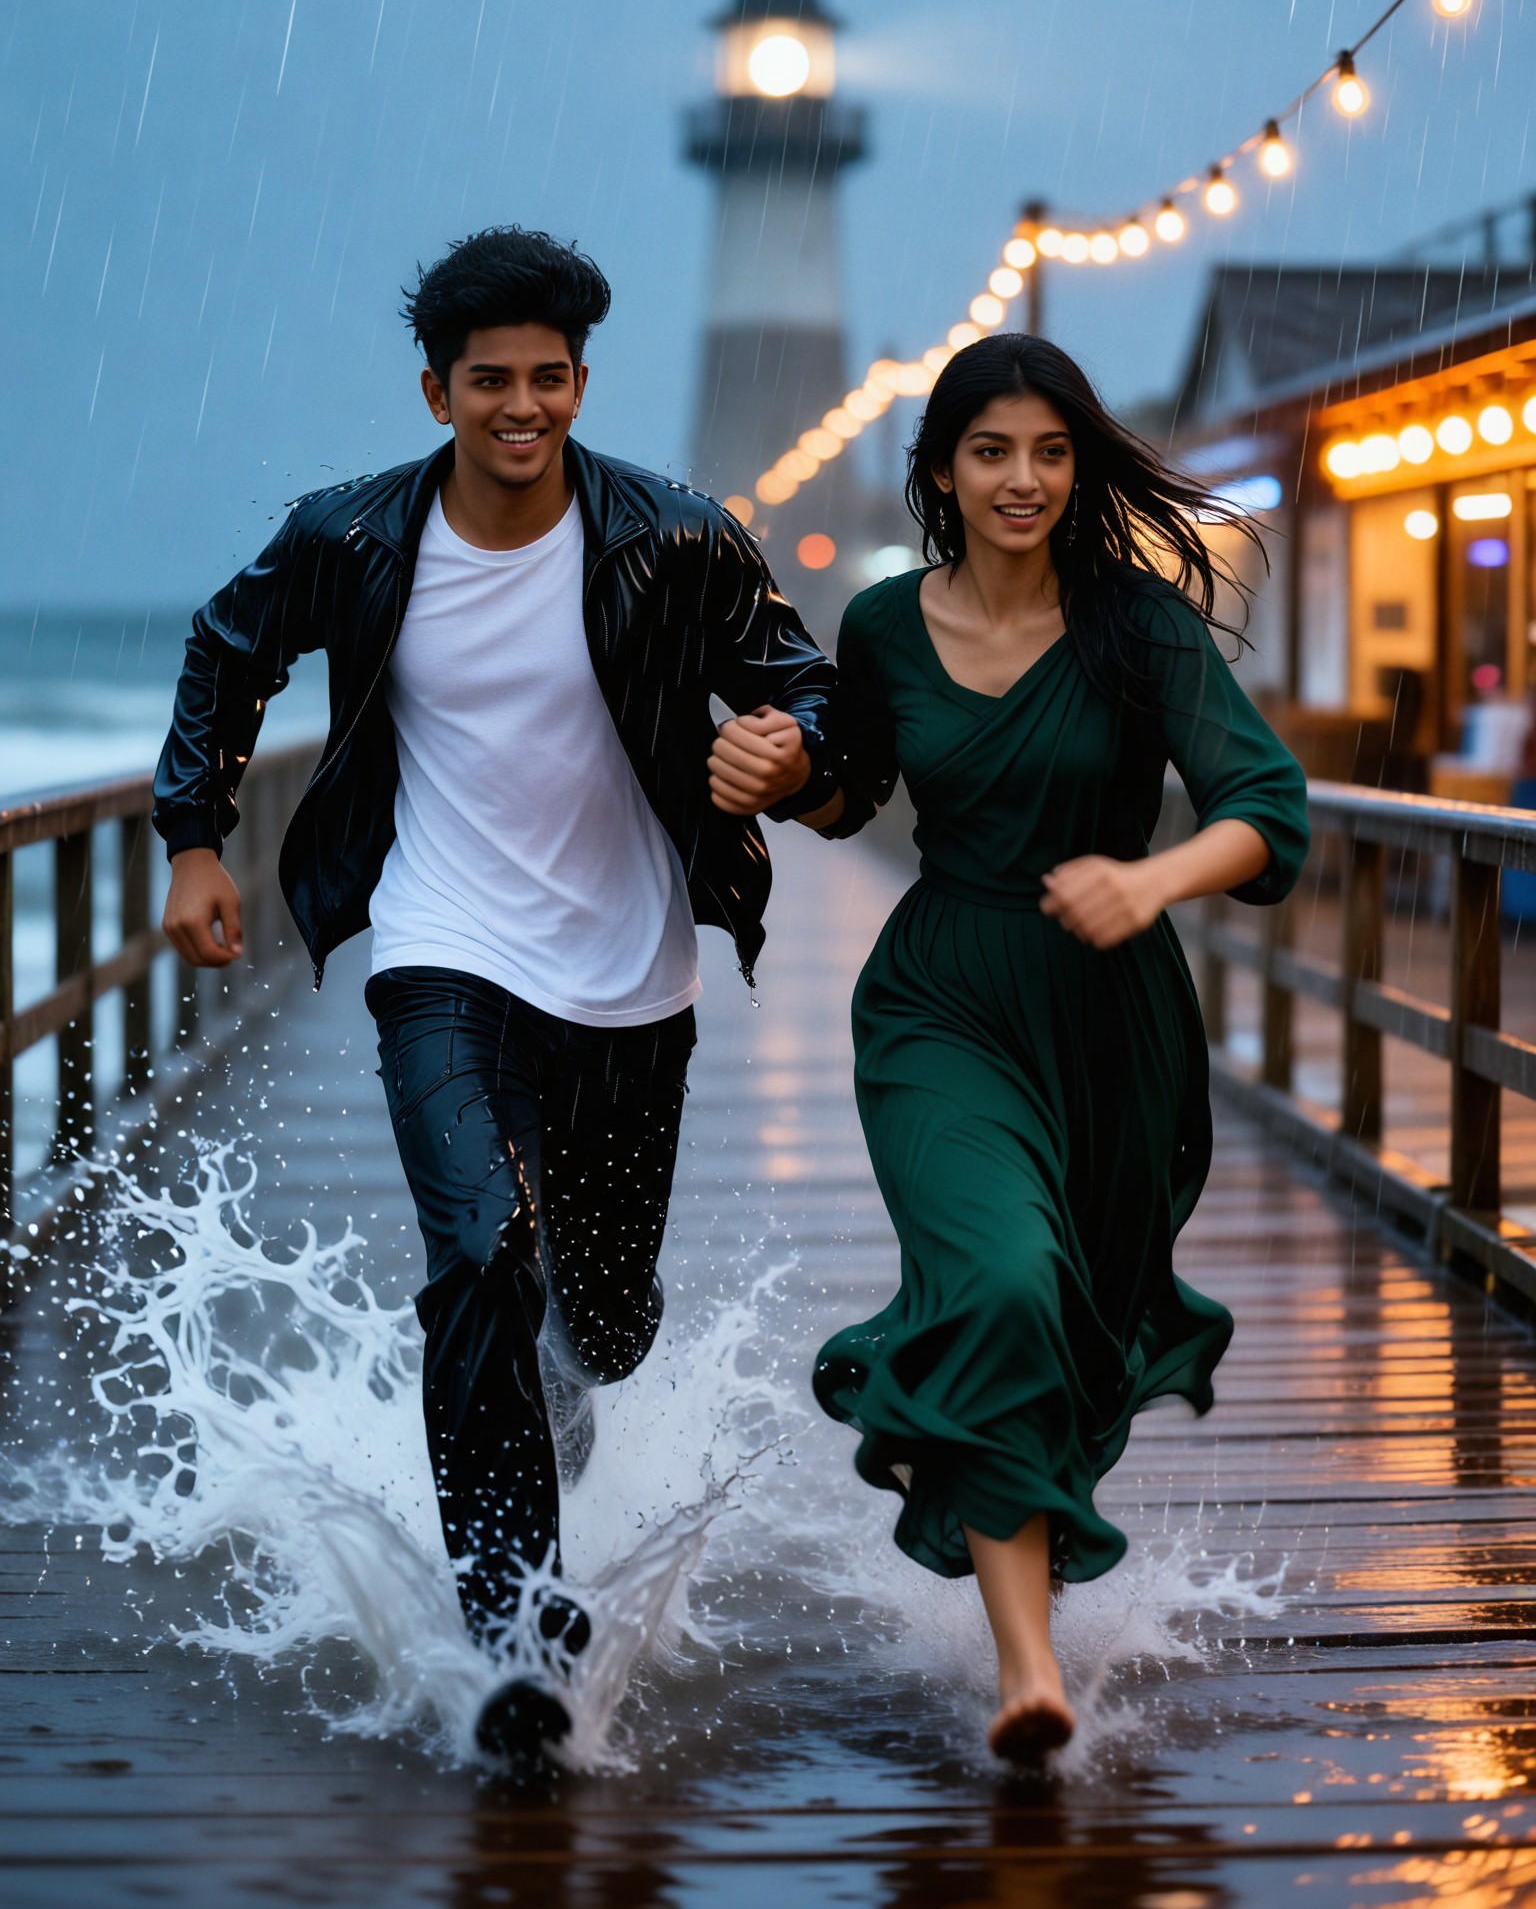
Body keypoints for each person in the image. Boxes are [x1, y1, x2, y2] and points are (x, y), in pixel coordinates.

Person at [153, 225, 838, 1766]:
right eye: (489, 382)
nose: (520, 407)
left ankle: (562, 1383)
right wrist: (195, 840)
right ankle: (519, 1625)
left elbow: (805, 684)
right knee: (481, 1254)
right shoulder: (354, 535)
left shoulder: (676, 537)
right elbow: (227, 649)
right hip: (440, 954)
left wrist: (791, 745)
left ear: (582, 383)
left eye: (548, 379)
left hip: (633, 981)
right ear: (437, 391)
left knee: (604, 1320)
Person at [715, 334, 1310, 1764]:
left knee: (1063, 1319)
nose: (1024, 479)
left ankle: (1022, 1581)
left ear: (1082, 468)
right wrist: (786, 775)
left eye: (1051, 452)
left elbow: (1267, 808)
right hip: (942, 1004)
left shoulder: (1140, 626)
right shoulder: (882, 625)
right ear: (940, 470)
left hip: (1111, 1027)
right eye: (991, 452)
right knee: (999, 1282)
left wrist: (1152, 879)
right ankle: (1027, 1671)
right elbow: (852, 794)